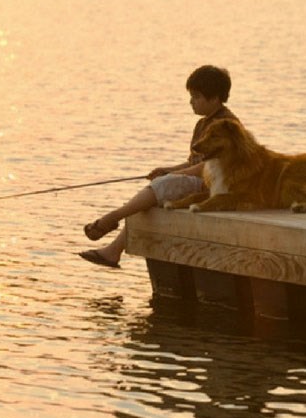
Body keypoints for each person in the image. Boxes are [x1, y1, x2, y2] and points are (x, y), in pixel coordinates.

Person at [78, 65, 242, 269]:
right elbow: (194, 162)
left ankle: (110, 219)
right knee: (151, 197)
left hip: (213, 186)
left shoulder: (226, 127)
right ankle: (113, 251)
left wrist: (172, 175)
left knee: (164, 185)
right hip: (199, 180)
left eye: (197, 97)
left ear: (215, 98)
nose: (191, 102)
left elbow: (208, 168)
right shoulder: (203, 124)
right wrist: (168, 169)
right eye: (191, 96)